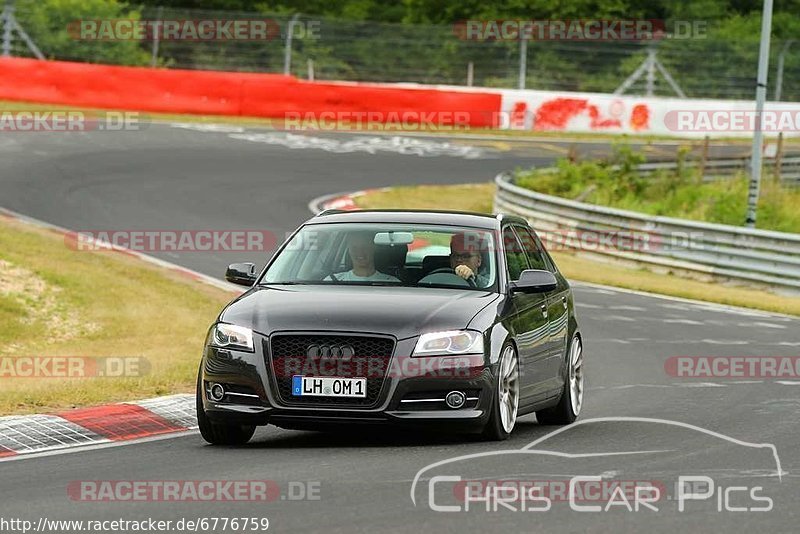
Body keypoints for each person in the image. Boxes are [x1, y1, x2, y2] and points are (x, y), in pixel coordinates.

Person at [327, 231, 400, 283]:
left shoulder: (392, 283)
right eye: (354, 248)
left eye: (365, 247)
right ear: (349, 250)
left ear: (374, 248)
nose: (360, 252)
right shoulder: (332, 281)